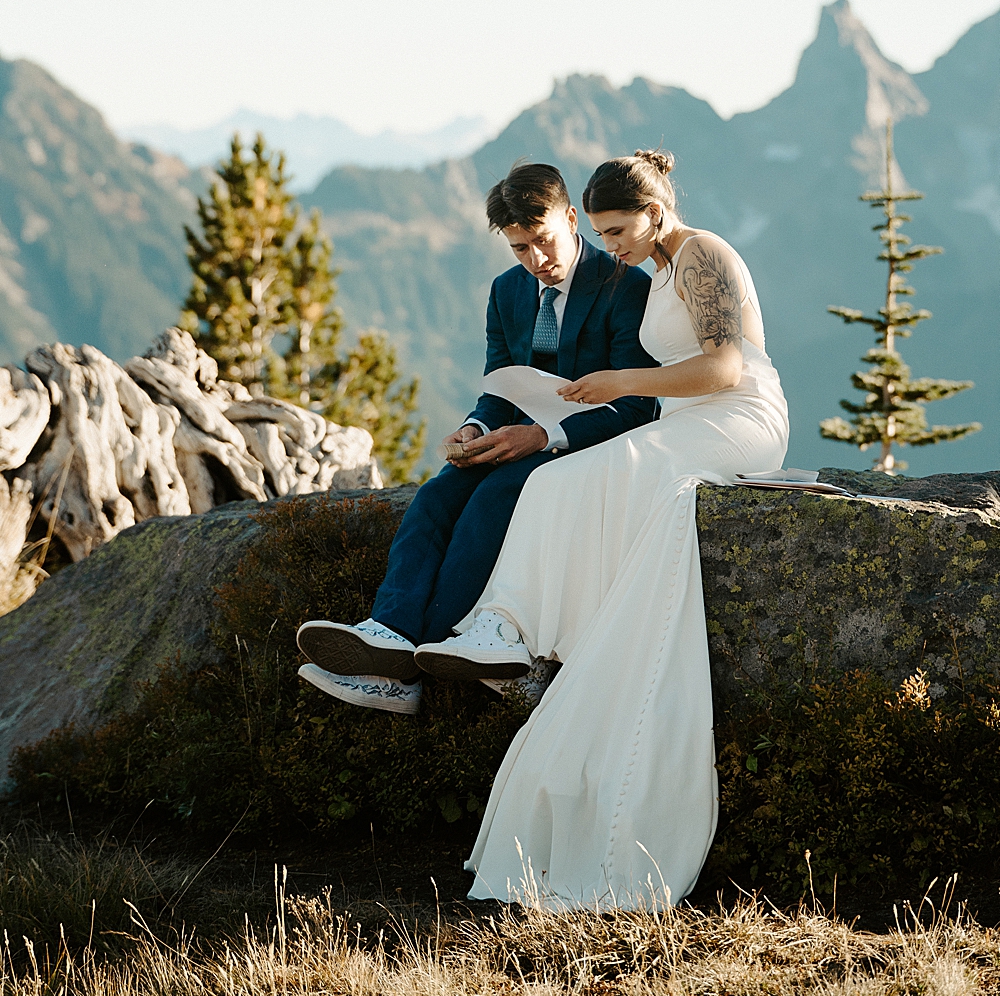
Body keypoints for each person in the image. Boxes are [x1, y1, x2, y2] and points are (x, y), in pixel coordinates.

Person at [414, 149, 789, 908]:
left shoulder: (704, 253)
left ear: (658, 211)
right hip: (687, 419)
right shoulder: (654, 268)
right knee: (557, 482)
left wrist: (620, 382)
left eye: (620, 230)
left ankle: (515, 626)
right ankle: (508, 629)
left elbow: (724, 369)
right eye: (605, 232)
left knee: (584, 476)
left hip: (738, 419)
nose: (611, 244)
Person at [295, 162, 659, 715]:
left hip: (587, 443)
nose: (535, 261)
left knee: (493, 497)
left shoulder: (625, 286)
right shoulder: (507, 291)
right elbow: (498, 385)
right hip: (519, 434)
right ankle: (388, 634)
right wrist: (477, 427)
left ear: (569, 217)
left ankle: (420, 660)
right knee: (438, 494)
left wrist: (541, 435)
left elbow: (638, 404)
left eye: (542, 241)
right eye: (519, 249)